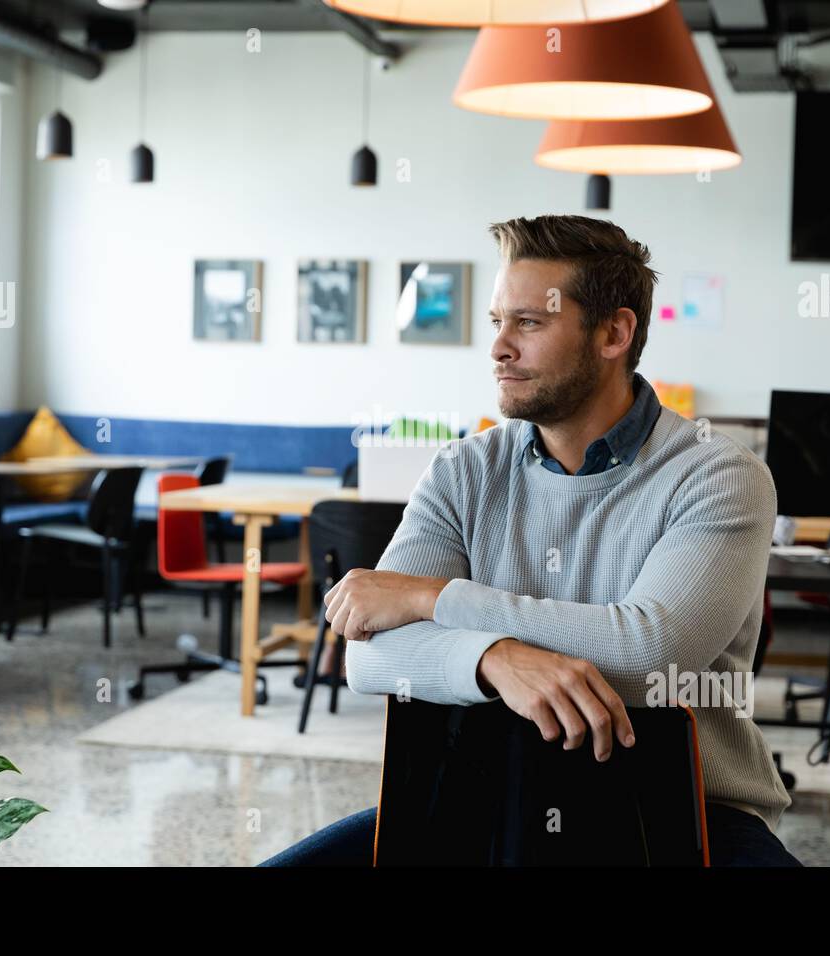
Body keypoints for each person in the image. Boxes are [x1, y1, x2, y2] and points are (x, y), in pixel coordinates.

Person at [262, 214, 799, 867]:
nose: (498, 348)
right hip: (477, 797)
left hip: (682, 812)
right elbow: (370, 659)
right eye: (496, 322)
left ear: (614, 333)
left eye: (529, 323)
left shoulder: (720, 474)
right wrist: (497, 660)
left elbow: (650, 655)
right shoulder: (463, 470)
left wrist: (433, 600)